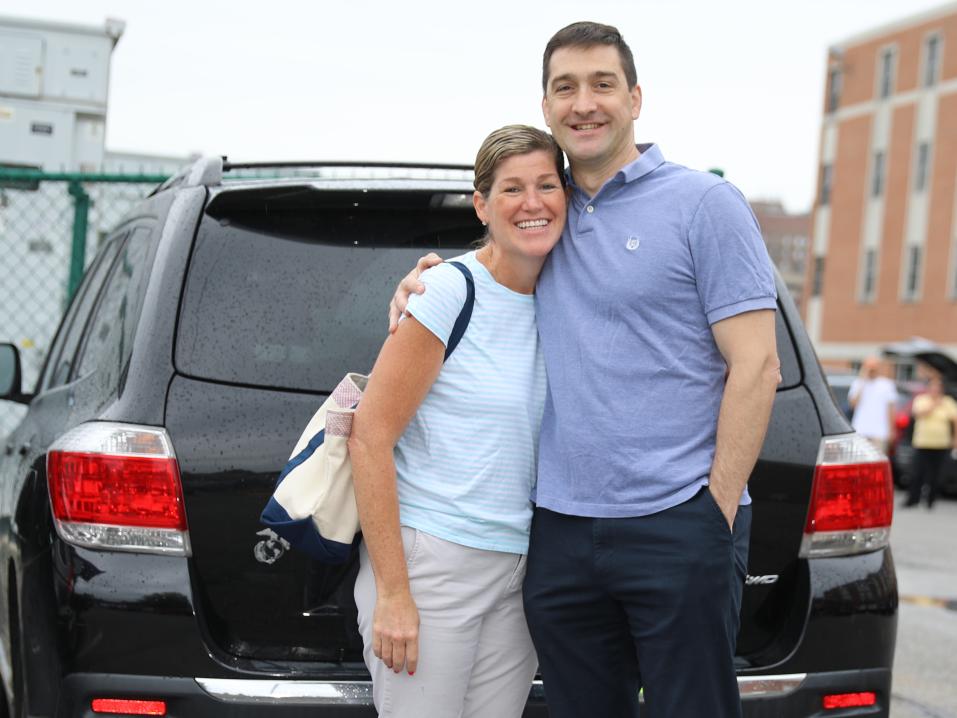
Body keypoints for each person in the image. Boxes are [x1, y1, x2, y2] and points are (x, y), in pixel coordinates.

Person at [388, 22, 780, 718]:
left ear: (634, 97)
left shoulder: (703, 204)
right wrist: (421, 279)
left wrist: (711, 514)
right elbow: (489, 269)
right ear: (545, 106)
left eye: (602, 83)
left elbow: (756, 366)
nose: (583, 102)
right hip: (559, 533)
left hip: (677, 520)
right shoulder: (547, 211)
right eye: (564, 87)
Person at [348, 125, 566, 718]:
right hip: (432, 564)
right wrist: (394, 592)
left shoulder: (567, 297)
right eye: (512, 188)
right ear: (482, 205)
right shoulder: (448, 289)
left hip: (521, 572)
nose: (532, 202)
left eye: (548, 184)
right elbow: (370, 436)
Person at [904, 373, 957, 509]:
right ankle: (912, 499)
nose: (935, 389)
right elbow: (918, 414)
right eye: (933, 387)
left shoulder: (948, 402)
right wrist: (934, 404)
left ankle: (930, 501)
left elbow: (955, 420)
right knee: (917, 473)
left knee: (936, 474)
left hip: (941, 444)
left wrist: (955, 438)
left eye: (938, 387)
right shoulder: (921, 399)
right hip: (922, 443)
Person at [849, 356, 898, 453]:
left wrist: (891, 430)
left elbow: (891, 409)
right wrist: (863, 379)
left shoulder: (887, 384)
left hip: (880, 433)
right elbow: (853, 404)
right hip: (860, 430)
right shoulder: (858, 383)